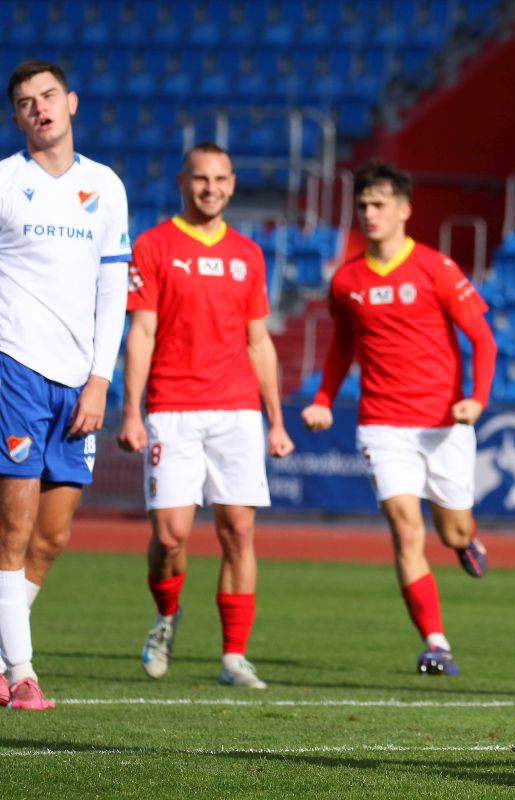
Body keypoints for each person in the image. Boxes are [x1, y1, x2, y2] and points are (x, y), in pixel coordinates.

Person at [301, 161, 496, 677]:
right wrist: (323, 398)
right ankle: (436, 643)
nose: (370, 213)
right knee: (406, 530)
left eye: (379, 204)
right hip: (382, 424)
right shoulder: (346, 280)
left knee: (451, 531)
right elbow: (342, 345)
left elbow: (483, 339)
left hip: (444, 424)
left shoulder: (436, 268)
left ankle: (466, 540)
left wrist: (477, 400)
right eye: (363, 205)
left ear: (404, 210)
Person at [118, 143, 295, 689]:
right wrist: (131, 410)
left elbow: (259, 342)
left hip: (237, 409)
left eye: (220, 179)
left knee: (238, 530)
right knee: (171, 536)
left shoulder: (249, 254)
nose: (210, 188)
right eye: (200, 178)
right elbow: (141, 332)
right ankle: (166, 617)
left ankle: (233, 657)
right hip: (171, 407)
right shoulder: (153, 245)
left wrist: (276, 420)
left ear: (233, 184)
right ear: (183, 182)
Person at [0, 61, 130, 710]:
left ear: (71, 102)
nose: (40, 108)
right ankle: (22, 673)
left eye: (48, 95)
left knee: (51, 538)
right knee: (14, 530)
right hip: (16, 367)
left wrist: (101, 380)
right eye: (27, 102)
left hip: (79, 383)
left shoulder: (105, 186)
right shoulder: (5, 182)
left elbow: (113, 291)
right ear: (16, 116)